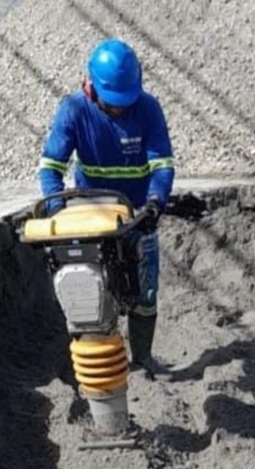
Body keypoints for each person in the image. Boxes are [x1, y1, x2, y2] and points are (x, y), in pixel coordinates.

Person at [38, 38, 174, 376]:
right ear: (92, 87)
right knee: (90, 295)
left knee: (146, 294)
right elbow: (51, 165)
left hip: (137, 214)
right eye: (113, 104)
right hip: (90, 218)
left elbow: (162, 164)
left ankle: (142, 360)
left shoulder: (148, 109)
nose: (120, 109)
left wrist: (156, 201)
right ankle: (97, 360)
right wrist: (58, 210)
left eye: (125, 102)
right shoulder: (73, 110)